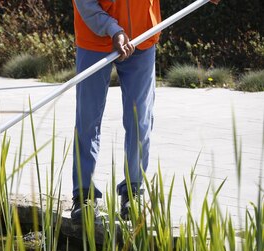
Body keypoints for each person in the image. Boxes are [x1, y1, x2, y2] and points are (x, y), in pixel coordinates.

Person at [70, 0, 219, 222]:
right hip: (95, 42)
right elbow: (86, 4)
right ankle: (83, 195)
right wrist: (114, 30)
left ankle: (133, 192)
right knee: (88, 119)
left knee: (140, 119)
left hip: (142, 37)